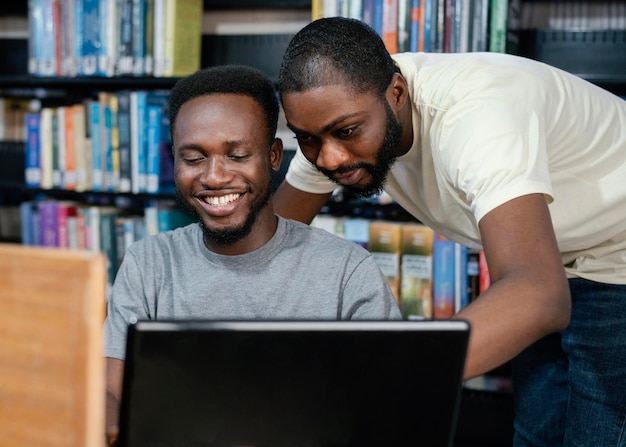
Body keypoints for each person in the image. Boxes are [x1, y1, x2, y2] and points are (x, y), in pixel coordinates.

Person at [272, 16, 626, 447]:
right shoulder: (339, 108)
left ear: (397, 93)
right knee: (536, 434)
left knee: (597, 435)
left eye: (346, 132)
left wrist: (380, 375)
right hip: (557, 253)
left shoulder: (477, 118)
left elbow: (538, 296)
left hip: (617, 251)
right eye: (307, 139)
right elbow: (272, 245)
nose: (328, 159)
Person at [103, 64, 402, 446]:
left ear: (273, 155)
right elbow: (111, 391)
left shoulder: (346, 271)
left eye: (238, 155)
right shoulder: (148, 264)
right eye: (193, 158)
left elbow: (387, 406)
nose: (214, 177)